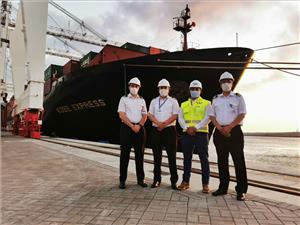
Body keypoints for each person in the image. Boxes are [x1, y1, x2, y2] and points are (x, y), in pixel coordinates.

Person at [209, 71, 248, 201]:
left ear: (232, 82)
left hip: (234, 131)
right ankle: (223, 187)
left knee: (239, 161)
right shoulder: (215, 99)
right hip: (219, 131)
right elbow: (212, 116)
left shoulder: (238, 97)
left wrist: (230, 127)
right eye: (223, 81)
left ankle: (241, 190)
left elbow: (242, 114)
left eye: (228, 81)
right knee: (222, 161)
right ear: (220, 83)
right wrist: (220, 128)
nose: (226, 83)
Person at [178, 80, 211, 193]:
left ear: (200, 90)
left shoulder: (207, 103)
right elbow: (180, 118)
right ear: (189, 90)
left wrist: (195, 128)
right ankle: (185, 182)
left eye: (197, 89)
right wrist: (187, 128)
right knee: (187, 158)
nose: (194, 91)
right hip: (187, 133)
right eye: (192, 89)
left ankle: (205, 184)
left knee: (204, 159)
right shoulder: (183, 104)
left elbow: (208, 118)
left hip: (201, 133)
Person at [148, 79, 179, 190]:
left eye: (165, 88)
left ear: (169, 89)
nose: (163, 90)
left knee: (172, 157)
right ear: (158, 89)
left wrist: (164, 124)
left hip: (169, 130)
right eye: (161, 88)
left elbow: (175, 115)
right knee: (157, 157)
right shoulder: (154, 101)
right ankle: (156, 180)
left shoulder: (173, 101)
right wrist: (158, 123)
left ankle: (174, 181)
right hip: (156, 130)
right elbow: (149, 114)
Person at [117, 77, 148, 189]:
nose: (134, 88)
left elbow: (145, 115)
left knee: (140, 155)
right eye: (132, 86)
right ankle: (122, 180)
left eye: (136, 86)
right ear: (129, 86)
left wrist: (139, 126)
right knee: (124, 155)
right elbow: (121, 114)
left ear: (139, 88)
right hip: (126, 128)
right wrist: (131, 126)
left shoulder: (142, 100)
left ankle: (140, 179)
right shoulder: (124, 99)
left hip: (139, 129)